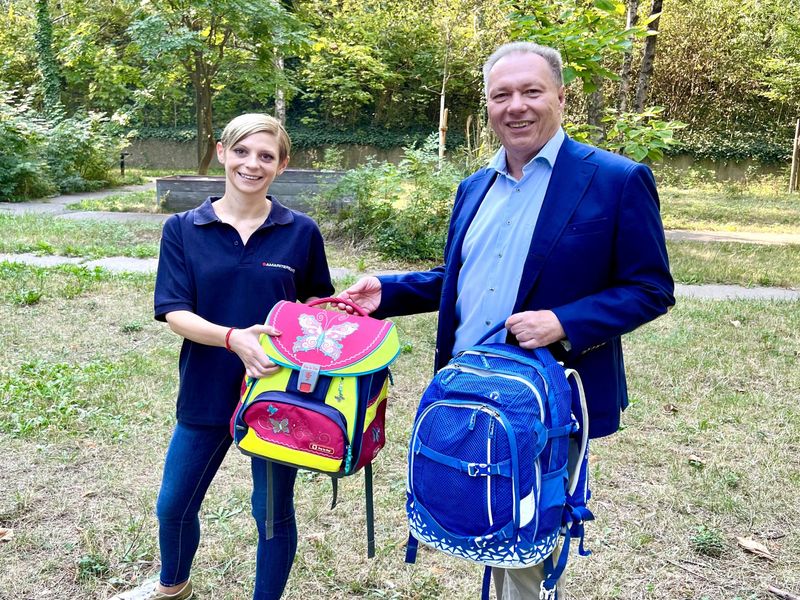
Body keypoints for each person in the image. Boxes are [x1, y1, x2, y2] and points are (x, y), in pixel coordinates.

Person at [339, 42, 675, 599]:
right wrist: (390, 291)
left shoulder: (616, 180)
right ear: (488, 106)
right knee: (487, 519)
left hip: (548, 396)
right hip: (471, 389)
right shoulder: (476, 187)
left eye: (531, 91)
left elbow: (651, 288)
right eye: (501, 95)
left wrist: (563, 321)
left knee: (529, 540)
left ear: (561, 97)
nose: (516, 106)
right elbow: (463, 276)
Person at [110, 114, 334, 600]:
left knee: (271, 514)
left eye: (266, 156)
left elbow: (317, 307)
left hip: (277, 396)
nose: (252, 164)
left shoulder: (301, 231)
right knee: (174, 506)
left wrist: (336, 321)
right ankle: (173, 587)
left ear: (282, 165)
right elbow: (174, 312)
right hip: (206, 387)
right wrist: (234, 338)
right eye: (242, 152)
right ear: (221, 153)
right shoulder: (183, 228)